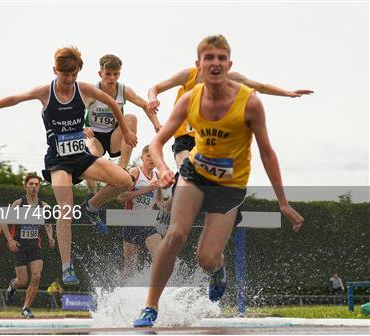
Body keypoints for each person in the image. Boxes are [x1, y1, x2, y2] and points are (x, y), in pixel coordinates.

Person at [134, 35, 305, 327]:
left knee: (206, 259)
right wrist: (162, 168)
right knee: (175, 234)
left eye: (221, 58)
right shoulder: (189, 99)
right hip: (195, 174)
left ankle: (218, 268)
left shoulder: (249, 103)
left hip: (230, 185)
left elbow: (267, 153)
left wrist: (284, 203)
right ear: (198, 66)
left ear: (229, 65)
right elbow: (157, 142)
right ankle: (150, 306)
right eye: (209, 58)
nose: (215, 63)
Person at [0, 46, 137, 286]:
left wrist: (125, 130)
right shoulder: (46, 92)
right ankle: (67, 266)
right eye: (65, 75)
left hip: (81, 156)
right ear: (55, 70)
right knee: (66, 206)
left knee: (125, 180)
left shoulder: (84, 89)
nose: (69, 79)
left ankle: (93, 207)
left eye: (73, 74)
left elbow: (112, 102)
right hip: (58, 161)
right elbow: (15, 98)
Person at [148, 45, 313, 218]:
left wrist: (287, 92)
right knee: (187, 173)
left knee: (215, 181)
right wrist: (153, 99)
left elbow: (261, 86)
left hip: (210, 140)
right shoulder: (188, 75)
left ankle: (183, 209)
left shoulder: (231, 78)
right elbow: (156, 87)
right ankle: (169, 210)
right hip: (185, 138)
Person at [84, 54, 162, 193]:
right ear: (100, 73)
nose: (112, 78)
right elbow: (77, 111)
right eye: (108, 74)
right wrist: (82, 128)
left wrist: (157, 124)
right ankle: (92, 194)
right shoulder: (92, 91)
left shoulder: (123, 90)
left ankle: (122, 169)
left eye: (116, 74)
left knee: (131, 118)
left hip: (114, 136)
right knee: (91, 156)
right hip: (94, 136)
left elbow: (146, 105)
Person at [0, 172, 55, 318]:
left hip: (35, 245)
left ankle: (26, 308)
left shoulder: (44, 206)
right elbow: (3, 222)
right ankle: (13, 285)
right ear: (25, 187)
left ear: (39, 187)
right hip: (19, 245)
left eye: (36, 184)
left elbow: (48, 224)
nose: (34, 187)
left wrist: (51, 237)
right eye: (31, 184)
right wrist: (8, 240)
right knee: (22, 280)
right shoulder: (19, 203)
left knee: (37, 275)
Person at [117, 146, 164, 277]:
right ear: (142, 157)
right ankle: (124, 294)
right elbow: (120, 198)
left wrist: (169, 209)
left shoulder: (157, 177)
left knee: (160, 258)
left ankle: (159, 289)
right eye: (149, 156)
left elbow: (159, 201)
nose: (151, 159)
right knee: (129, 269)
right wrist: (146, 189)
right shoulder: (135, 172)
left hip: (148, 221)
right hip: (130, 220)